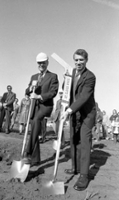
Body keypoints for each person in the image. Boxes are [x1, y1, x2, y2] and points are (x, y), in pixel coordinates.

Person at [61, 49, 96, 191]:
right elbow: (66, 90)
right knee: (74, 141)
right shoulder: (72, 73)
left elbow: (83, 97)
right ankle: (75, 168)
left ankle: (84, 175)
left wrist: (69, 110)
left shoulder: (90, 77)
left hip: (87, 114)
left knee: (85, 142)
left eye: (81, 60)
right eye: (76, 60)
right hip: (75, 113)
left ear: (86, 60)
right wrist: (65, 79)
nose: (78, 62)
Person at [23, 52, 59, 166]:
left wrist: (39, 96)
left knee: (36, 120)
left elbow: (53, 92)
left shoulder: (53, 76)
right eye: (39, 63)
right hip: (35, 106)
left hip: (45, 106)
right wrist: (30, 88)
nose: (41, 65)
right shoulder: (34, 77)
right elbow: (26, 91)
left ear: (47, 63)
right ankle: (36, 159)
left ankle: (27, 153)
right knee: (34, 126)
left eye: (43, 63)